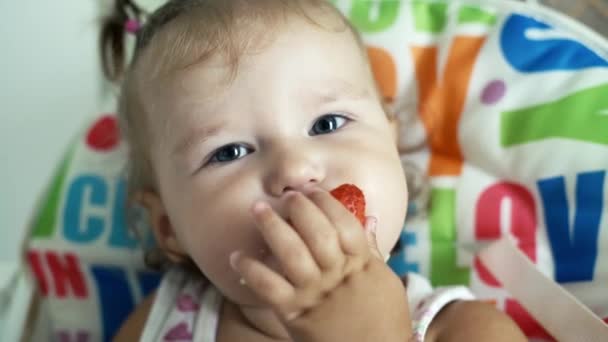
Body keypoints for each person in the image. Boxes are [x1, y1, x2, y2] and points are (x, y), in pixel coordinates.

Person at [100, 0, 526, 340]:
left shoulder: (463, 330)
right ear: (168, 226)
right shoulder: (160, 324)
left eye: (328, 124)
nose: (294, 168)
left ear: (391, 144)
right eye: (229, 151)